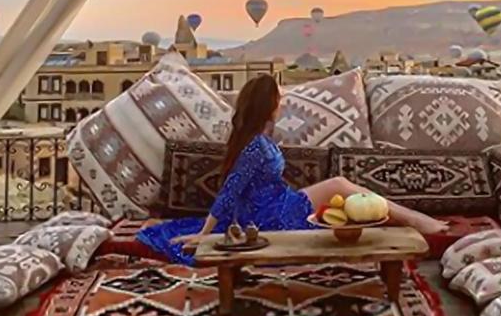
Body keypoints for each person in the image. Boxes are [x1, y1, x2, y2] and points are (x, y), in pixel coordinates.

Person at [137, 74, 447, 263]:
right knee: (340, 184)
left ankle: (410, 221)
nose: (282, 103)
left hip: (278, 203)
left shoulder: (260, 140)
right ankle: (417, 221)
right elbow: (230, 191)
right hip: (271, 216)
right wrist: (204, 234)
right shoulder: (255, 146)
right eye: (278, 98)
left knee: (341, 192)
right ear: (268, 105)